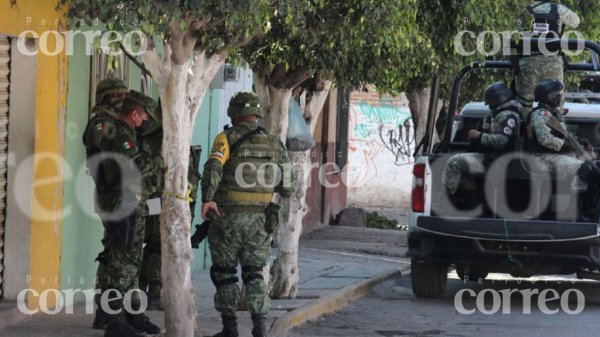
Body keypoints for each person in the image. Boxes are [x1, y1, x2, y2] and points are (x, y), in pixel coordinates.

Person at [201, 92, 294, 337]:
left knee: (225, 273)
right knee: (254, 274)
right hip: (260, 223)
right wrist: (270, 203)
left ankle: (229, 329)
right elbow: (288, 185)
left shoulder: (225, 138)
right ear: (257, 115)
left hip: (227, 219)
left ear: (234, 114)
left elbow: (213, 169)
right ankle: (260, 328)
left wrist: (207, 200)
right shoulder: (275, 143)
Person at [83, 90, 163, 337]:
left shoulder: (129, 133)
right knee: (121, 262)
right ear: (135, 113)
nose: (145, 122)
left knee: (131, 262)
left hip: (132, 203)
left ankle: (132, 314)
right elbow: (137, 167)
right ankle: (115, 320)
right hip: (121, 204)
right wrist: (161, 161)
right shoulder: (118, 133)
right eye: (144, 117)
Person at [137, 101, 202, 311]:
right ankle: (153, 291)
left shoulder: (159, 135)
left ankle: (146, 287)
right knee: (157, 243)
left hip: (161, 197)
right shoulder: (160, 137)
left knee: (155, 242)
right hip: (159, 198)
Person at [527, 79, 599, 218]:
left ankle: (586, 208)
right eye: (558, 94)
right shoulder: (541, 114)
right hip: (541, 157)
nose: (560, 97)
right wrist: (565, 144)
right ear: (550, 96)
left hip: (554, 155)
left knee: (592, 169)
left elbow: (563, 134)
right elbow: (544, 139)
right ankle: (572, 211)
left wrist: (578, 141)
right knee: (584, 169)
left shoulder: (552, 113)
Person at [442, 82, 522, 204]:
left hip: (497, 160)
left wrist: (480, 135)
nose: (489, 106)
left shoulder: (507, 116)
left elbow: (502, 141)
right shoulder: (498, 113)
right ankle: (472, 200)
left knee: (455, 162)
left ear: (497, 100)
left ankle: (446, 201)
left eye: (490, 103)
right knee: (463, 170)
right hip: (493, 158)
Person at [516, 1, 580, 117]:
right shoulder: (559, 9)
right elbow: (576, 22)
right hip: (552, 63)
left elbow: (516, 32)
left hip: (528, 63)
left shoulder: (525, 10)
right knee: (555, 102)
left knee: (524, 104)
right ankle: (555, 130)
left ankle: (524, 130)